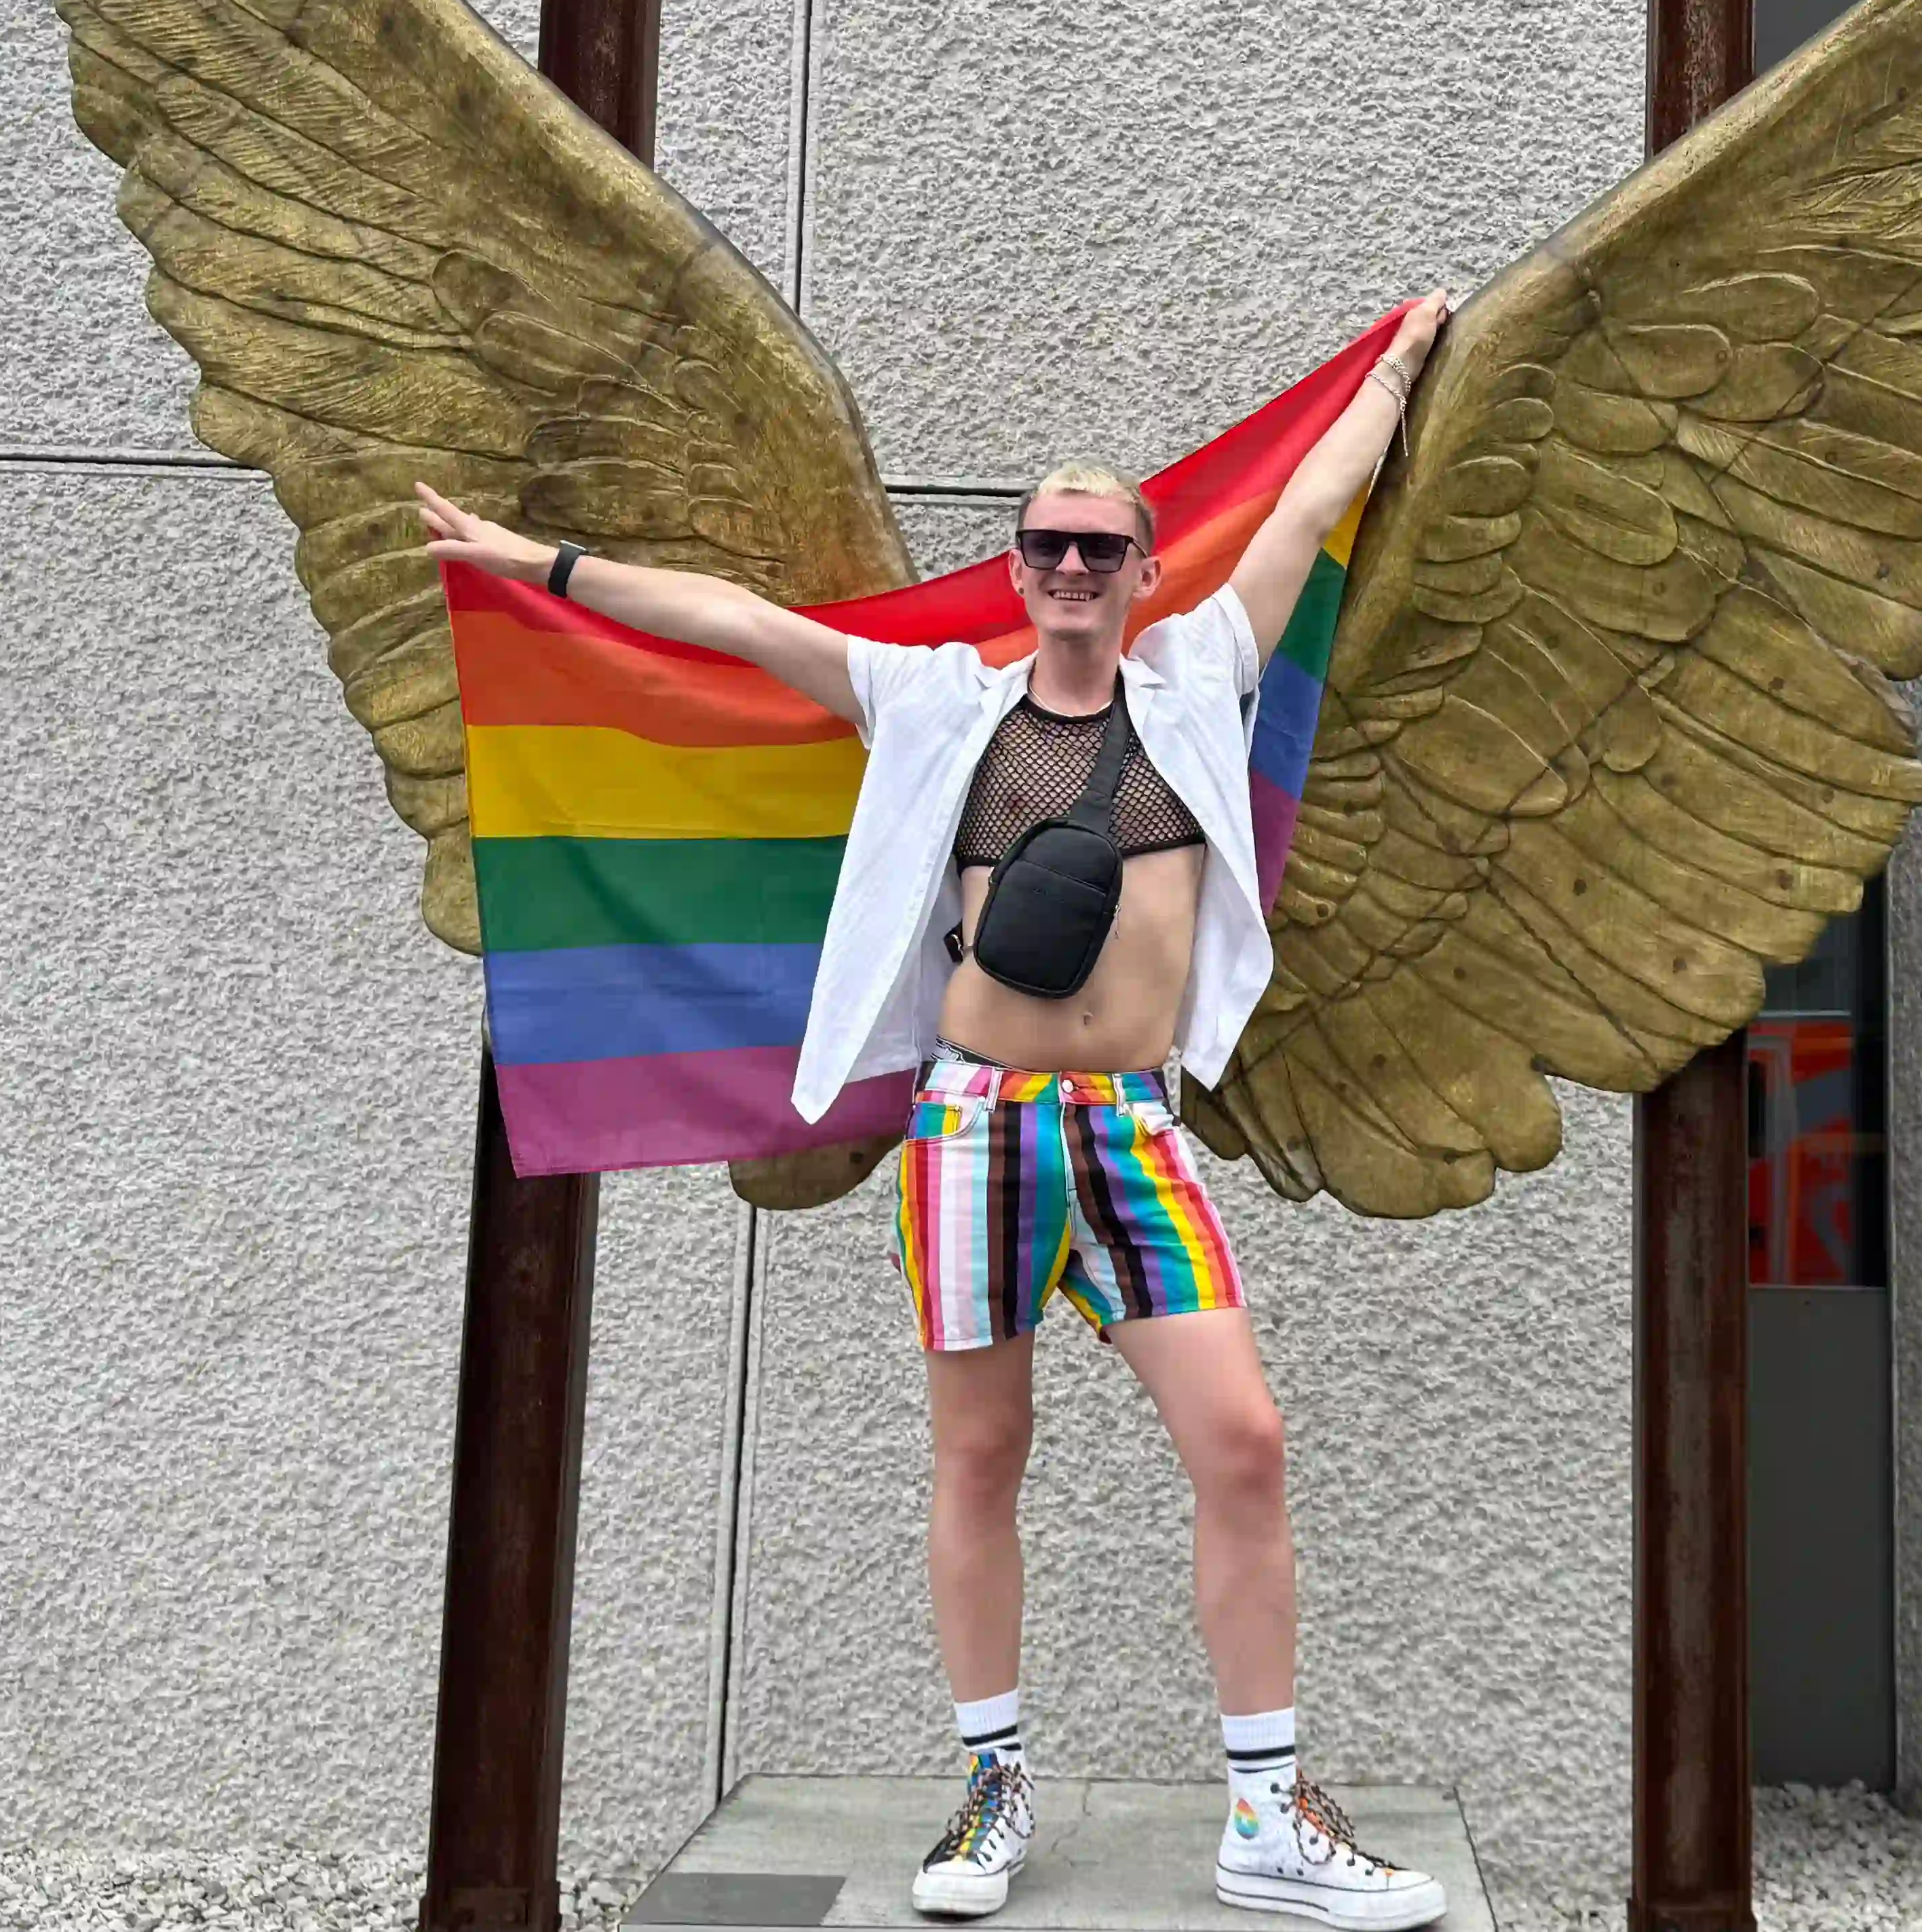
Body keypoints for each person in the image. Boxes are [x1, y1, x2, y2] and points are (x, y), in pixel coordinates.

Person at [415, 292, 1452, 1931]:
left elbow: (1320, 501)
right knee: (982, 1452)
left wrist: (1400, 360)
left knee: (1242, 1442)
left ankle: (1267, 1813)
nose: (1072, 569)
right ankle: (993, 1782)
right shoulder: (938, 708)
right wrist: (537, 566)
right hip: (976, 1129)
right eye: (1048, 544)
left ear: (1147, 566)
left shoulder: (1201, 685)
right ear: (1022, 562)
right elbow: (740, 623)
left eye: (1103, 547)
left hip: (1131, 1132)